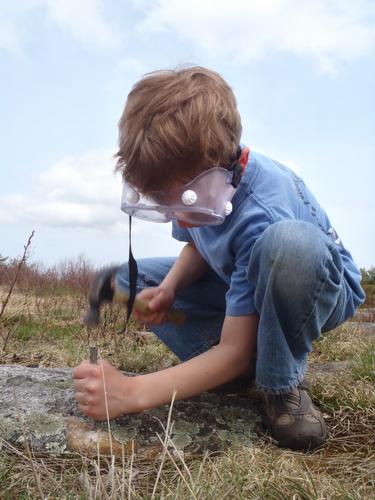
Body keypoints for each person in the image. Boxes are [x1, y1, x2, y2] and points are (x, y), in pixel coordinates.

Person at [73, 66, 365, 451]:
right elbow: (197, 244)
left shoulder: (263, 210)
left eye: (181, 202)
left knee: (287, 247)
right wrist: (170, 288)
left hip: (313, 285)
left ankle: (280, 382)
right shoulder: (200, 191)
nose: (175, 217)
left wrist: (131, 393)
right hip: (247, 274)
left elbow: (242, 331)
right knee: (134, 282)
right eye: (163, 204)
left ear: (219, 175)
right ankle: (232, 372)